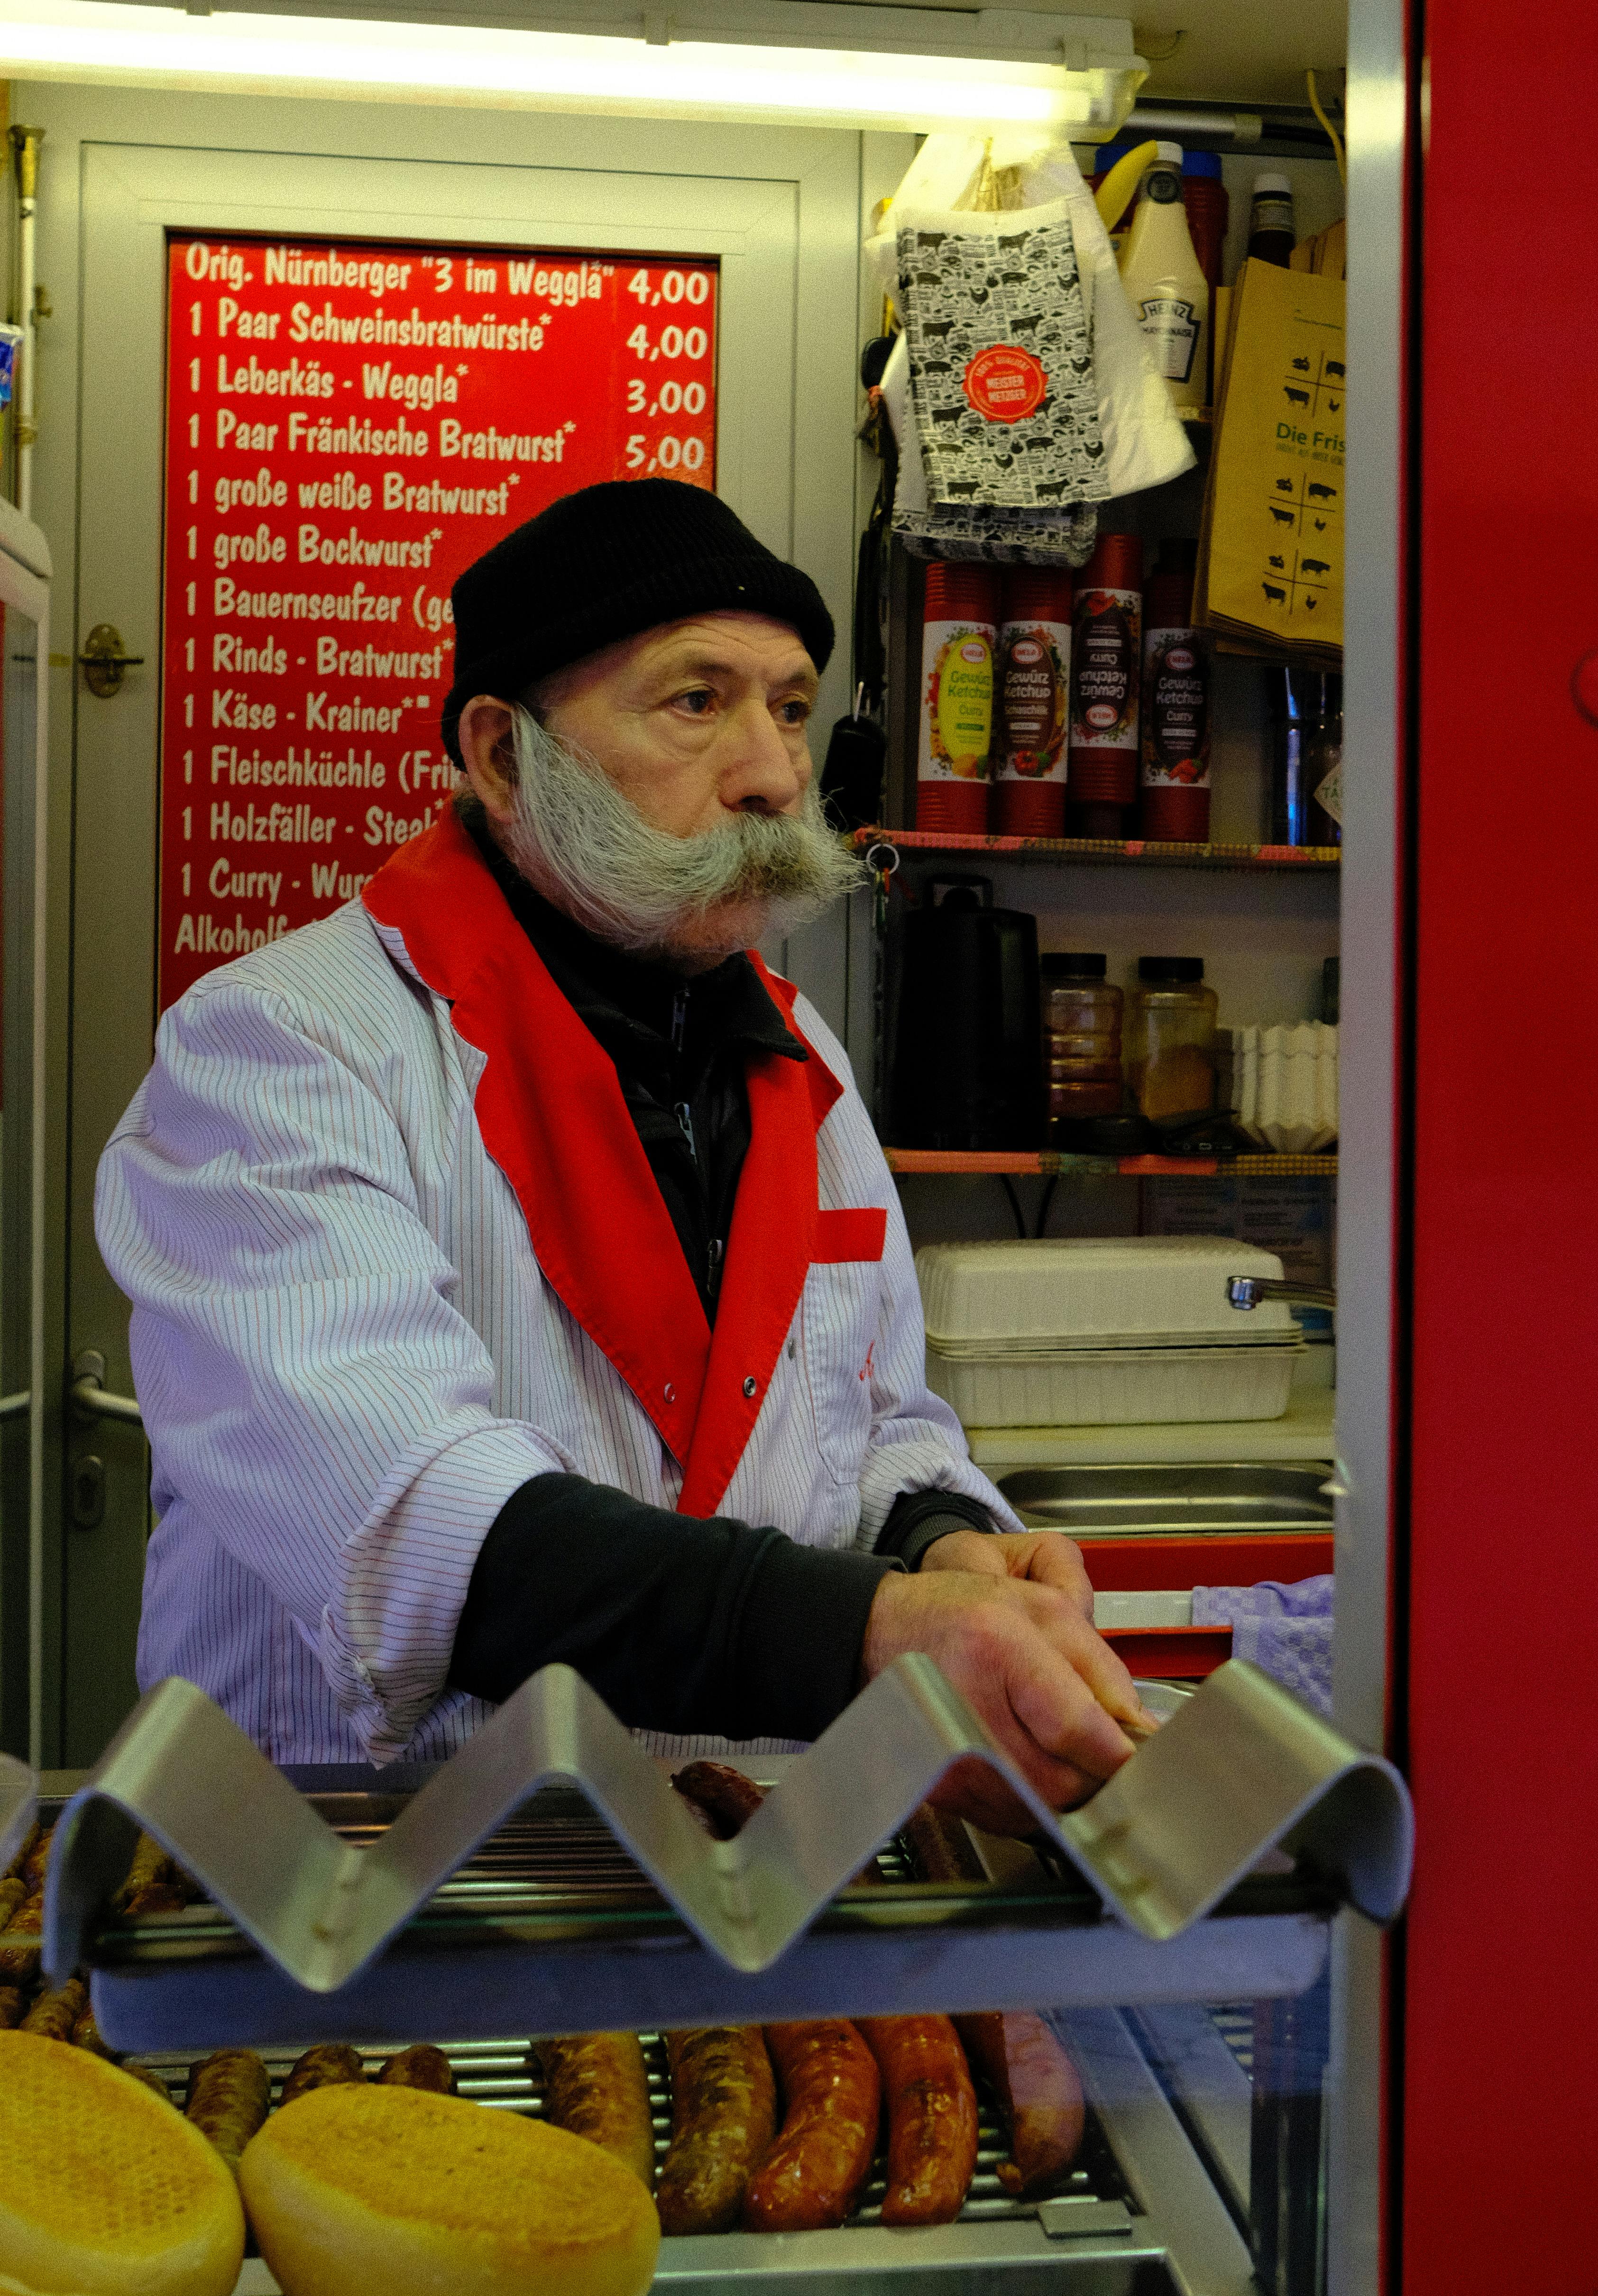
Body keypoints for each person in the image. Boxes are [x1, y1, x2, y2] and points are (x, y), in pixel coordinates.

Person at [97, 480, 1141, 1812]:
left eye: (791, 706)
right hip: (344, 1904)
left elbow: (869, 1427)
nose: (772, 772)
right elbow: (422, 1535)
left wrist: (940, 1544)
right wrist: (876, 1633)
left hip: (721, 1884)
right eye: (695, 701)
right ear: (500, 754)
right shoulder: (284, 1051)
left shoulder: (795, 1058)